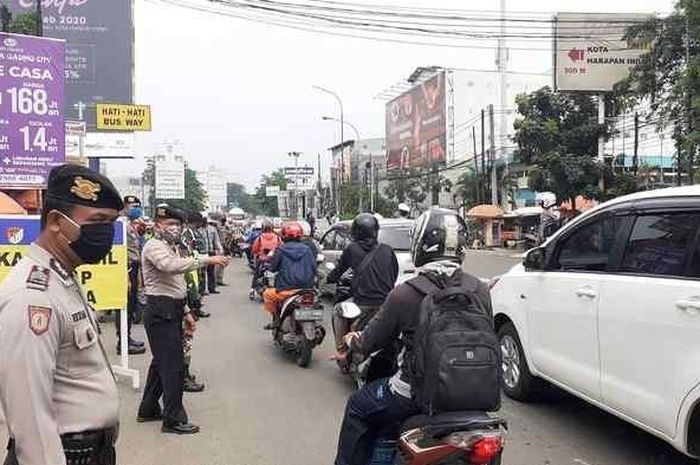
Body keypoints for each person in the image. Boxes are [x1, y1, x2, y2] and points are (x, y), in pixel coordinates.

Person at [334, 207, 492, 465]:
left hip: (412, 395)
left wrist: (352, 340)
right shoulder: (479, 289)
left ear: (420, 244)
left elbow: (369, 342)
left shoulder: (406, 293)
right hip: (473, 394)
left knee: (357, 407)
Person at [0, 164, 122, 465]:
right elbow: (30, 418)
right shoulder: (32, 297)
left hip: (90, 452)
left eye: (111, 222)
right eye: (97, 221)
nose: (106, 232)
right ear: (56, 222)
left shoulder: (62, 275)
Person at [137, 205, 229, 435]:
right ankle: (173, 419)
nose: (175, 228)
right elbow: (170, 268)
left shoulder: (171, 246)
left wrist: (186, 310)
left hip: (172, 308)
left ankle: (148, 409)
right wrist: (206, 260)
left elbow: (177, 284)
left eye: (177, 224)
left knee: (161, 363)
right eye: (169, 224)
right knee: (174, 367)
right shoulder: (155, 247)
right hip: (160, 310)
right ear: (158, 226)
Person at [327, 213, 398, 351]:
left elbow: (338, 271)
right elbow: (394, 273)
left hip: (362, 302)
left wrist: (329, 279)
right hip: (385, 302)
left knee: (337, 311)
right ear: (375, 232)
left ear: (355, 232)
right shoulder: (387, 249)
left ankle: (341, 350)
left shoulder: (351, 249)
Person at [262, 222, 317, 329]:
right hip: (307, 289)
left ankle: (276, 320)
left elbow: (273, 268)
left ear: (283, 235)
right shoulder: (308, 249)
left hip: (286, 290)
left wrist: (267, 265)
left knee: (267, 294)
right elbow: (314, 267)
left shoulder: (281, 250)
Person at [117, 195, 146, 355]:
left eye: (137, 205)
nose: (135, 208)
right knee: (125, 305)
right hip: (125, 269)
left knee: (131, 304)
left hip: (133, 268)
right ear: (124, 206)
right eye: (132, 205)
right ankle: (123, 342)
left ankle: (126, 338)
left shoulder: (129, 224)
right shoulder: (120, 224)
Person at [249, 219, 282, 299]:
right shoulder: (278, 238)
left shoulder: (259, 238)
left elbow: (254, 250)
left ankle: (252, 291)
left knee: (256, 275)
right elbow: (281, 248)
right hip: (274, 261)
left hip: (262, 260)